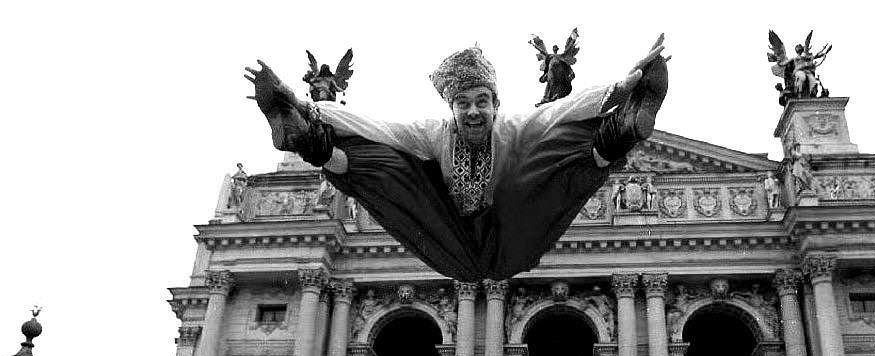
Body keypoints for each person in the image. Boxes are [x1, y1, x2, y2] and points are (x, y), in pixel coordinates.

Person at [245, 38, 669, 282]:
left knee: (546, 158)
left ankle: (622, 132)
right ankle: (310, 144)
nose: (472, 112)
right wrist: (307, 110)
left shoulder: (514, 126)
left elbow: (561, 109)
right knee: (391, 170)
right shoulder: (433, 134)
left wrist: (621, 89)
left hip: (509, 232)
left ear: (495, 103)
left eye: (481, 102)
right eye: (462, 103)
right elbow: (377, 127)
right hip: (449, 232)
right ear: (451, 107)